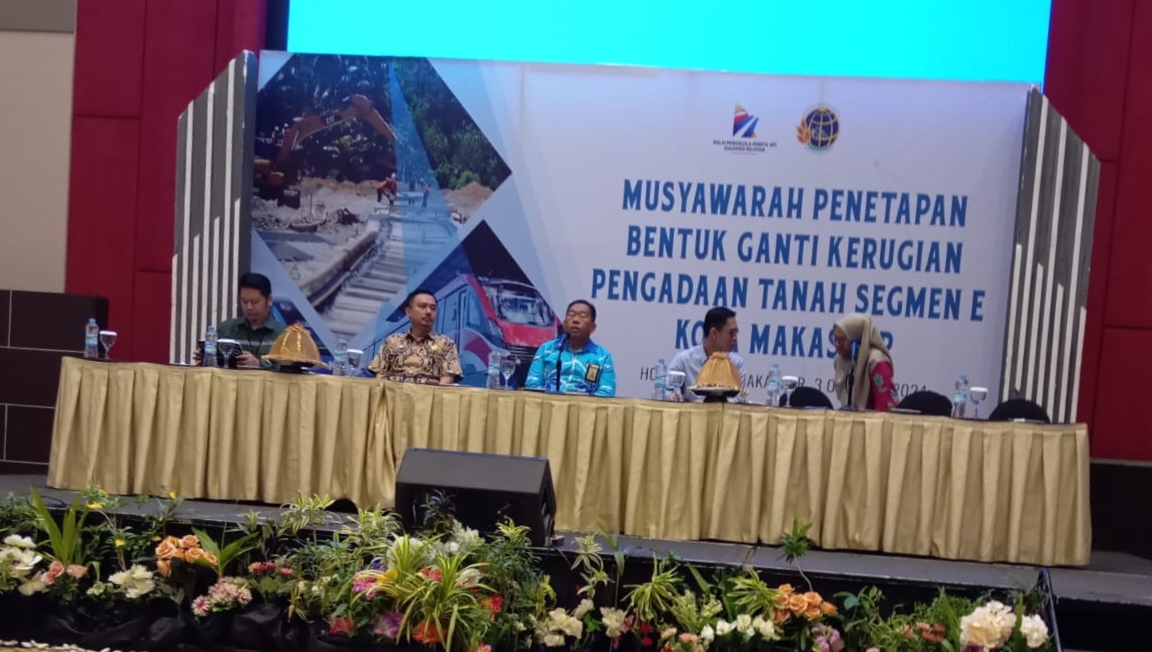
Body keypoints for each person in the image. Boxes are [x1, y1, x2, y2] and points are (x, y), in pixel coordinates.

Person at [368, 289, 462, 385]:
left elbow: (448, 378)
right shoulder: (392, 341)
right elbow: (380, 374)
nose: (429, 312)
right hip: (394, 393)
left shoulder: (446, 343)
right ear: (408, 312)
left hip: (430, 394)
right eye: (423, 306)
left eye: (433, 308)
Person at [193, 273, 286, 369]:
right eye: (244, 302)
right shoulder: (227, 329)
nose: (249, 307)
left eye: (255, 302)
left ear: (269, 300)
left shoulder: (283, 334)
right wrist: (205, 358)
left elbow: (289, 372)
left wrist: (259, 364)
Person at [525, 300, 616, 397]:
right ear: (564, 323)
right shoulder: (546, 349)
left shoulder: (602, 357)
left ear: (593, 327)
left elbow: (606, 392)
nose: (575, 320)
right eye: (571, 315)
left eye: (582, 316)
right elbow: (532, 385)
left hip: (585, 405)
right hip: (549, 403)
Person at [669, 306, 746, 402]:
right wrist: (674, 396)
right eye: (731, 333)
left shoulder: (737, 364)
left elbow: (740, 397)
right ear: (714, 333)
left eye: (736, 333)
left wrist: (708, 405)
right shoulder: (683, 361)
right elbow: (667, 391)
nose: (735, 338)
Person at [832, 313, 897, 412]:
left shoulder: (876, 362)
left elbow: (884, 406)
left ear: (856, 342)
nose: (837, 345)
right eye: (835, 339)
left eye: (841, 340)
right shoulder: (842, 361)